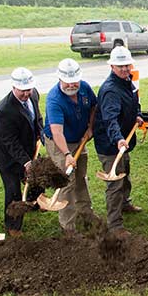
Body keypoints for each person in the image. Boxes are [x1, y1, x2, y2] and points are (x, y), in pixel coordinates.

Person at [43, 58, 96, 234]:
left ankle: (86, 213)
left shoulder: (85, 88)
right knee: (67, 180)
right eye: (68, 82)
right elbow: (57, 132)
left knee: (81, 176)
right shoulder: (54, 99)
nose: (72, 85)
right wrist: (67, 154)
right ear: (60, 79)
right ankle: (68, 226)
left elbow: (94, 107)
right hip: (59, 143)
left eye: (75, 81)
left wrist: (90, 127)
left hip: (79, 139)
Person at [93, 46, 143, 233]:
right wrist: (118, 139)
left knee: (125, 172)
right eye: (120, 66)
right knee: (115, 182)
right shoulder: (111, 90)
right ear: (112, 66)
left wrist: (137, 114)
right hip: (110, 144)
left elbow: (134, 102)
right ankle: (114, 224)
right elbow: (110, 119)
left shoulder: (127, 81)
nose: (124, 69)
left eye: (126, 65)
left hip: (123, 141)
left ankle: (125, 204)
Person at [0, 67, 44, 238]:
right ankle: (13, 226)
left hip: (27, 147)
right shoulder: (3, 110)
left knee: (40, 177)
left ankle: (31, 202)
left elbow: (37, 117)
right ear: (13, 87)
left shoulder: (34, 94)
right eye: (22, 91)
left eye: (28, 89)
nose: (26, 94)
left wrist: (41, 134)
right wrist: (26, 162)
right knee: (13, 190)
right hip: (6, 156)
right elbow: (9, 142)